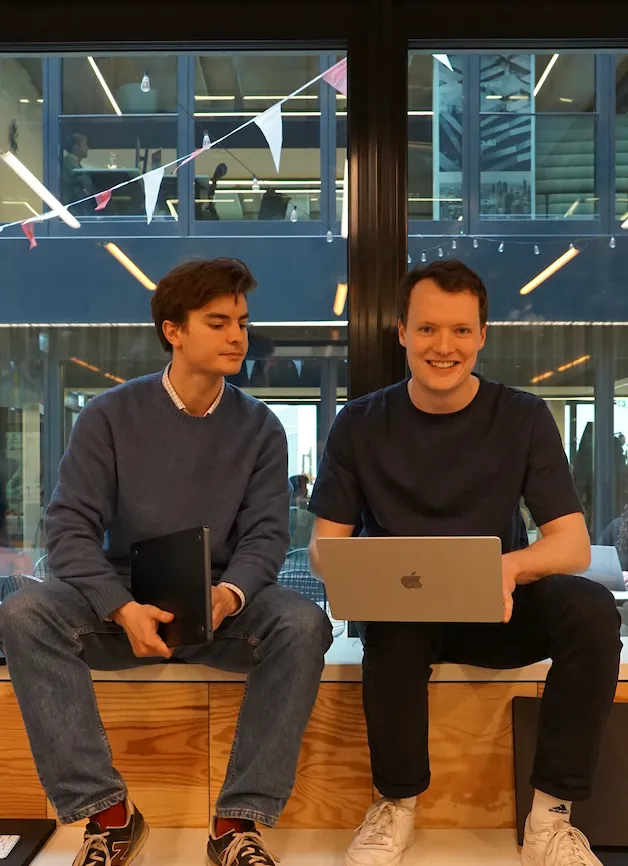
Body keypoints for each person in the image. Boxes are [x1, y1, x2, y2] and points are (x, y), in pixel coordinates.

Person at [0, 257, 332, 866]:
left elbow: (265, 537)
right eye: (218, 323)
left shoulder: (261, 427)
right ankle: (109, 816)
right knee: (23, 614)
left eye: (242, 322)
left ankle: (236, 824)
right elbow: (68, 529)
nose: (238, 336)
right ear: (173, 331)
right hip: (122, 603)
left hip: (223, 606)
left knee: (304, 623)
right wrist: (120, 607)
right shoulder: (109, 415)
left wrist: (229, 595)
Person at [308, 259, 621, 866]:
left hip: (499, 608)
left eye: (459, 330)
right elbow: (324, 547)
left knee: (591, 611)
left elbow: (572, 545)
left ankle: (551, 819)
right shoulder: (359, 423)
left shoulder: (523, 416)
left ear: (482, 335)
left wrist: (507, 568)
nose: (443, 346)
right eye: (427, 329)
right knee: (390, 625)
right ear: (402, 332)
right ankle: (396, 804)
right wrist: (367, 570)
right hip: (405, 618)